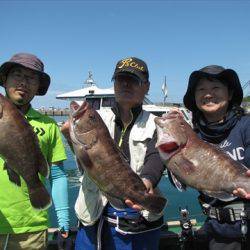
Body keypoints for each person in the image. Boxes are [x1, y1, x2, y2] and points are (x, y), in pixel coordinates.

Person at [61, 57, 166, 250]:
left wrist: (147, 181)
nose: (125, 84)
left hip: (138, 222)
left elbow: (157, 157)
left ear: (147, 86)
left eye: (133, 80)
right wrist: (70, 138)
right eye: (120, 79)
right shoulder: (99, 118)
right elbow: (86, 164)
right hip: (92, 219)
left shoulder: (158, 124)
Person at [0, 53, 69, 250]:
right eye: (18, 75)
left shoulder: (48, 125)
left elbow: (57, 175)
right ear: (5, 80)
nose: (23, 82)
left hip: (32, 227)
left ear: (38, 86)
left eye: (31, 78)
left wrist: (63, 216)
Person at [182, 65, 250, 249]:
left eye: (216, 88)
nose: (208, 94)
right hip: (214, 229)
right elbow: (180, 182)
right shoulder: (192, 136)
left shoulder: (246, 125)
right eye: (201, 89)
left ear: (229, 94)